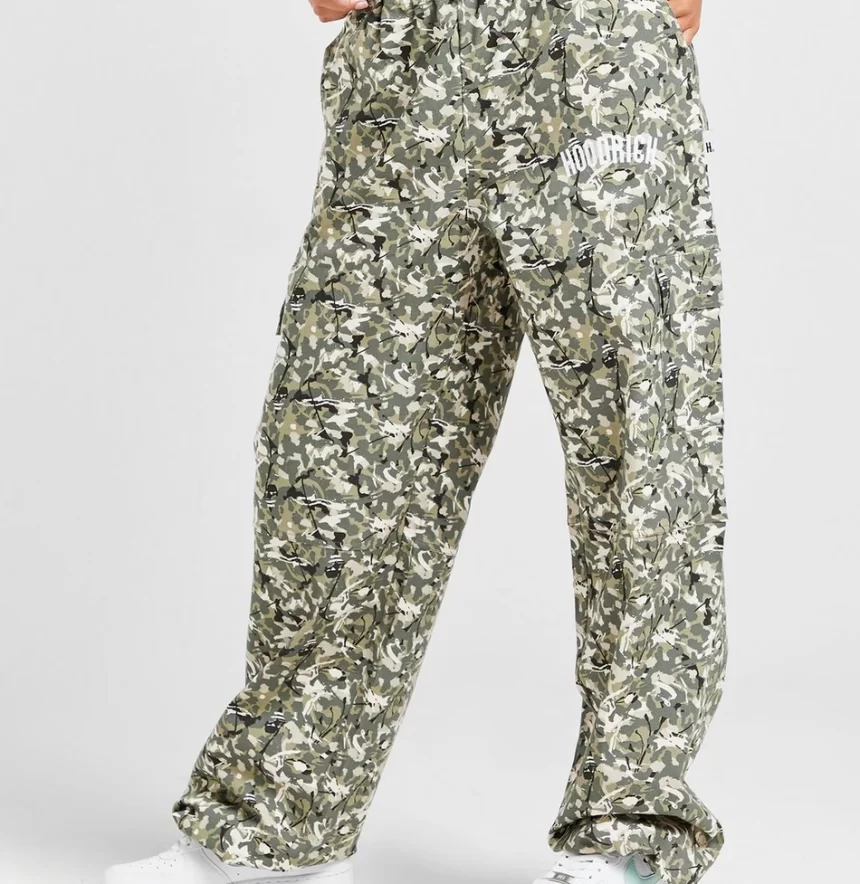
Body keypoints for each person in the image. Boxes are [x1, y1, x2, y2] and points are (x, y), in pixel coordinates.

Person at [104, 0, 728, 881]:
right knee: (340, 454)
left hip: (599, 53)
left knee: (642, 456)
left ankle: (633, 835)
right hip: (409, 58)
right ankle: (280, 826)